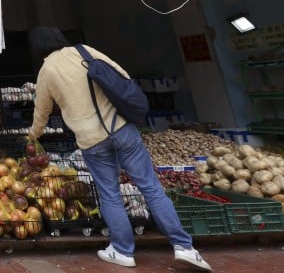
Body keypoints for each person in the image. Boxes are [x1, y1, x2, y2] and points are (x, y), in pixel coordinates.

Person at [27, 25, 211, 271]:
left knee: (109, 194)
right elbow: (121, 76)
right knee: (151, 187)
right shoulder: (84, 51)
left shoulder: (47, 71)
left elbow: (42, 112)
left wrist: (33, 135)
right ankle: (184, 247)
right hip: (121, 129)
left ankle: (123, 251)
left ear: (36, 47)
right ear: (60, 38)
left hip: (91, 141)